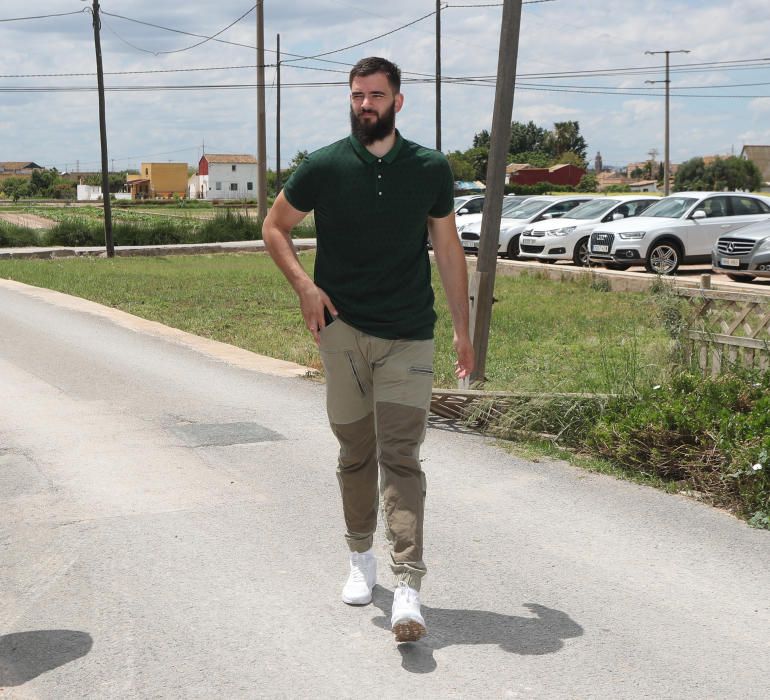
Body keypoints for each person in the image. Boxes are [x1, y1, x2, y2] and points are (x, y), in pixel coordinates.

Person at [262, 56, 474, 643]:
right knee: (356, 452)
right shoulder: (325, 166)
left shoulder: (430, 168)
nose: (365, 105)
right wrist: (304, 285)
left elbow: (448, 247)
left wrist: (463, 327)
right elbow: (274, 225)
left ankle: (408, 583)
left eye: (376, 96)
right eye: (357, 96)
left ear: (398, 102)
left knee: (400, 454)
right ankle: (360, 556)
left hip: (408, 330)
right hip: (343, 331)